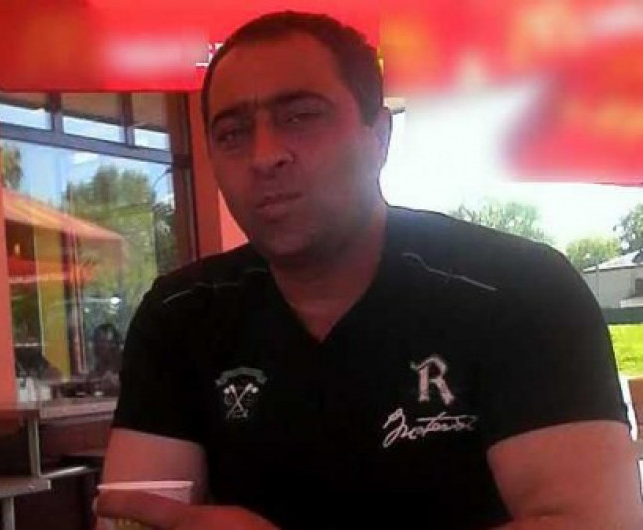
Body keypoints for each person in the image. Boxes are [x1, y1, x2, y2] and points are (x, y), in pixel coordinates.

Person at [96, 11, 643, 529]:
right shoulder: (183, 313)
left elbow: (590, 522)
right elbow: (138, 517)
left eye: (300, 116)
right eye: (232, 132)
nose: (264, 156)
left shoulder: (517, 290)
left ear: (379, 137)